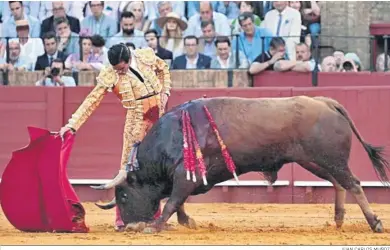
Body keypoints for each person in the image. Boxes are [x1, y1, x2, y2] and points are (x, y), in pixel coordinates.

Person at [59, 43, 172, 232]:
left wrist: (165, 91)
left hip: (159, 118)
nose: (120, 72)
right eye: (117, 70)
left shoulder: (144, 55)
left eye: (122, 68)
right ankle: (121, 219)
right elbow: (92, 100)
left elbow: (163, 68)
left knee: (156, 168)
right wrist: (72, 125)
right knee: (126, 171)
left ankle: (156, 217)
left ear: (128, 59)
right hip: (136, 122)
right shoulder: (110, 74)